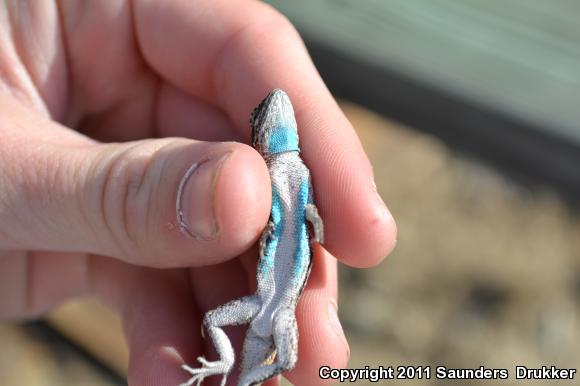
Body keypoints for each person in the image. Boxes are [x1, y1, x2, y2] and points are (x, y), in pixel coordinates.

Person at [0, 1, 396, 385]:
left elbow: (311, 215)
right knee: (236, 330)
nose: (276, 104)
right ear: (258, 136)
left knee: (290, 358)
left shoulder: (294, 168)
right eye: (260, 115)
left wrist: (319, 230)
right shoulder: (261, 167)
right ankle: (224, 362)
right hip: (266, 305)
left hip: (278, 306)